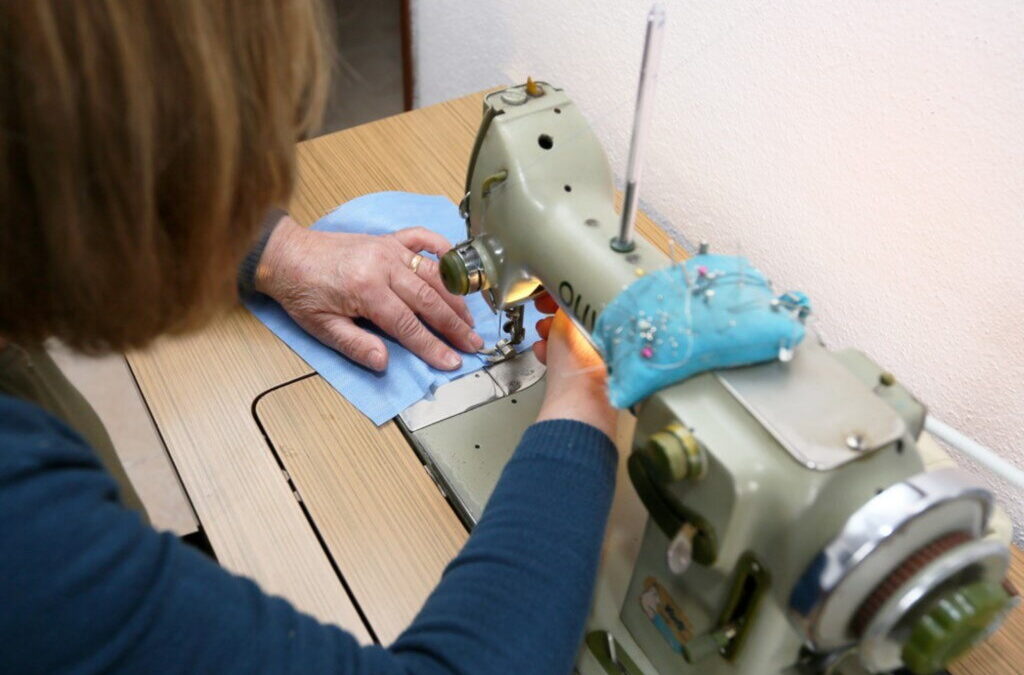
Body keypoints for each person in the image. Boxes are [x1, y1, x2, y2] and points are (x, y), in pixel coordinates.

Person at [0, 2, 619, 673]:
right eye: (242, 152)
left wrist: (274, 250)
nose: (272, 181)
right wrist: (582, 403)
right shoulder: (27, 532)